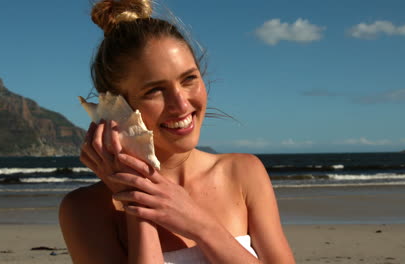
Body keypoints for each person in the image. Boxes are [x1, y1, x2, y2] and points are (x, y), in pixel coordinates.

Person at [59, 0, 295, 263]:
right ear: (116, 107)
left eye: (189, 79)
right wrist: (137, 205)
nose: (181, 104)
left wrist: (201, 226)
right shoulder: (86, 209)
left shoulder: (243, 173)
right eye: (154, 90)